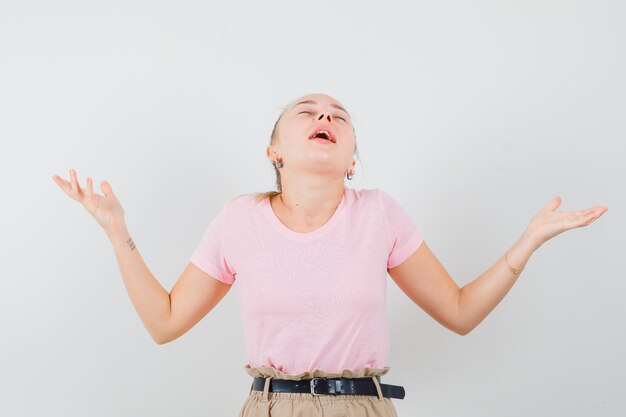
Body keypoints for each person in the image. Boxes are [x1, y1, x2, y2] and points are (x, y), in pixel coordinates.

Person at [52, 93, 608, 416]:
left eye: (339, 117)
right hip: (270, 407)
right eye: (308, 112)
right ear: (273, 152)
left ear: (350, 159)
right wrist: (117, 231)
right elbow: (164, 323)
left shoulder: (379, 213)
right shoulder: (238, 219)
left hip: (361, 407)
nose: (326, 119)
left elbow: (459, 313)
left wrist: (527, 240)